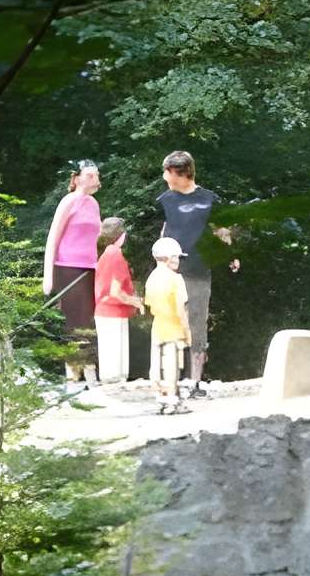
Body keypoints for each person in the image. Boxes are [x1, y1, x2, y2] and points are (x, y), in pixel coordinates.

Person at [155, 150, 237, 398]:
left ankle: (195, 381)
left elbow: (222, 230)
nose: (163, 176)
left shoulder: (209, 199)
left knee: (197, 323)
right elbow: (163, 233)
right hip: (171, 273)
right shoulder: (164, 200)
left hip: (199, 269)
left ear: (178, 173)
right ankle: (172, 379)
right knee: (171, 322)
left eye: (165, 171)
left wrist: (232, 254)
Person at [42, 160, 103, 385]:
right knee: (75, 322)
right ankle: (76, 372)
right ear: (76, 178)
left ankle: (85, 370)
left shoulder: (93, 204)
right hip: (67, 267)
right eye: (89, 175)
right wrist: (48, 276)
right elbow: (52, 238)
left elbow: (95, 237)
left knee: (88, 320)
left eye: (96, 175)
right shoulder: (69, 201)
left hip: (90, 268)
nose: (94, 179)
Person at [92, 217, 142, 384]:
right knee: (115, 375)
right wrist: (136, 302)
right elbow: (116, 292)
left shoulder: (106, 253)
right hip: (113, 313)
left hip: (103, 311)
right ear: (122, 235)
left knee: (110, 368)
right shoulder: (115, 255)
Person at [146, 236, 191, 415]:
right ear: (170, 257)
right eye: (177, 257)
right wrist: (188, 331)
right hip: (173, 328)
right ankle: (172, 401)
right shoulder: (176, 279)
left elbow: (149, 304)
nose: (178, 260)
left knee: (156, 366)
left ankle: (161, 400)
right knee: (172, 367)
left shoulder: (152, 279)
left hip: (157, 327)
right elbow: (181, 308)